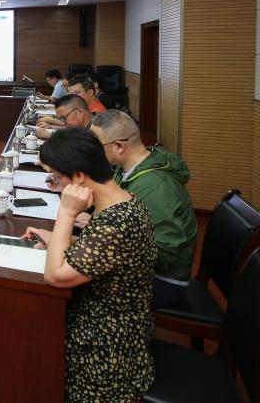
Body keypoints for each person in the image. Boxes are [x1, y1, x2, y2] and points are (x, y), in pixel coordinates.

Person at [21, 128, 155, 402]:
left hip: (106, 344)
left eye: (57, 177)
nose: (56, 184)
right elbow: (101, 251)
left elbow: (56, 276)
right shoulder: (122, 201)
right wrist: (60, 239)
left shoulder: (117, 223)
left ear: (79, 176)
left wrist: (66, 212)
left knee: (25, 342)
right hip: (111, 320)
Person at [90, 110, 197, 308]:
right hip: (140, 265)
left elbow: (164, 254)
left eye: (96, 145)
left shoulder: (155, 187)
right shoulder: (129, 167)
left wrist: (103, 239)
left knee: (76, 282)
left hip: (163, 280)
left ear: (119, 146)